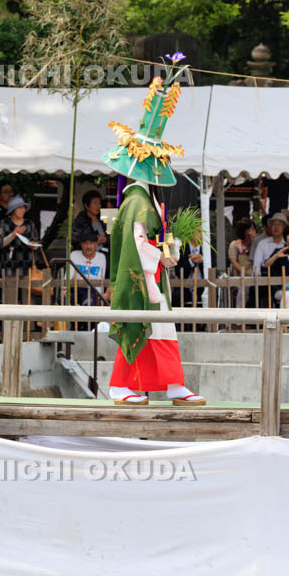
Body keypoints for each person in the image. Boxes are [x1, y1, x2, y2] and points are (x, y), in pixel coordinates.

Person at [102, 57, 204, 406]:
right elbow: (137, 244)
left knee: (159, 330)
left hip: (151, 276)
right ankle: (122, 387)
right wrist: (161, 253)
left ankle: (173, 385)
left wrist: (166, 249)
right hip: (142, 277)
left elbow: (145, 241)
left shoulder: (143, 201)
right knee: (143, 329)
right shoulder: (138, 202)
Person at [0, 196, 40, 276]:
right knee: (10, 287)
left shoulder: (30, 224)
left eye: (23, 207)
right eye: (19, 208)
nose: (22, 210)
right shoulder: (4, 223)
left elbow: (37, 242)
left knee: (27, 288)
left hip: (27, 265)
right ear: (12, 210)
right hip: (9, 265)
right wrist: (13, 234)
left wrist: (33, 245)